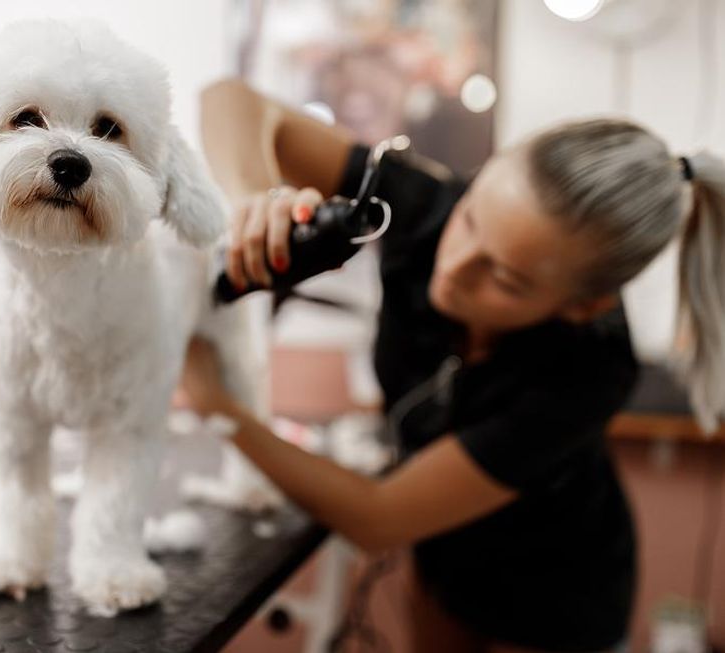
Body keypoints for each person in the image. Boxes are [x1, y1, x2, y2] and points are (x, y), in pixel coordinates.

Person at [180, 79, 725, 652]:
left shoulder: (590, 373)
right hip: (444, 564)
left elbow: (378, 518)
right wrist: (252, 197)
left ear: (584, 305)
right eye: (469, 218)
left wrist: (221, 409)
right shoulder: (423, 204)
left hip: (557, 602)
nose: (453, 267)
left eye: (506, 278)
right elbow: (228, 98)